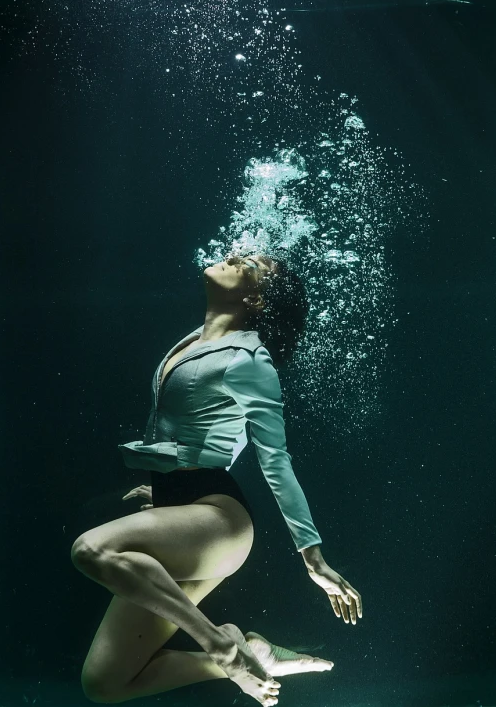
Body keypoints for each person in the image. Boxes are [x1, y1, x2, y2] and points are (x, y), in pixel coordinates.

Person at [71, 253, 363, 707]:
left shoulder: (251, 359)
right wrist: (171, 480)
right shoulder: (193, 341)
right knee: (105, 683)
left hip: (219, 524)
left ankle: (223, 647)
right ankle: (255, 655)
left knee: (92, 549)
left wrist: (314, 557)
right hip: (187, 510)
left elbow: (275, 457)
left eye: (251, 263)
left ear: (257, 297)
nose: (234, 255)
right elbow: (228, 429)